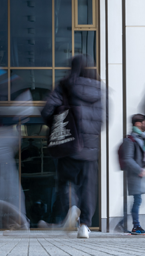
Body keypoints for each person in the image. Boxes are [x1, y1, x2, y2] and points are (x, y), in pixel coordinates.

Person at [41, 55, 103, 239]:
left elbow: (46, 110)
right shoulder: (100, 90)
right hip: (90, 148)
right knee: (88, 187)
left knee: (64, 182)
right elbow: (104, 120)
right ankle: (84, 225)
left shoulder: (65, 85)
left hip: (69, 143)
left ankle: (67, 213)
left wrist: (58, 122)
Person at [120, 114, 145, 235]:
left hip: (143, 173)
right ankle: (135, 226)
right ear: (138, 123)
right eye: (144, 122)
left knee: (137, 200)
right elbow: (127, 159)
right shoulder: (130, 139)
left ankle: (123, 223)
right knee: (137, 200)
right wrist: (139, 170)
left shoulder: (144, 137)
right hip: (135, 174)